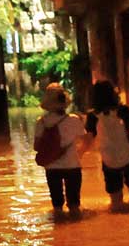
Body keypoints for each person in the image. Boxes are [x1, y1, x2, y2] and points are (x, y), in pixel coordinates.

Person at [85, 80, 129, 210]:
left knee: (115, 200)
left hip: (108, 158)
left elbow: (88, 140)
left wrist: (79, 154)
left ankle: (117, 224)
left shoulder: (92, 116)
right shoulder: (123, 110)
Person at [35, 82, 90, 218]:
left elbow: (36, 147)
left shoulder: (41, 122)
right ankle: (75, 234)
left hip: (51, 167)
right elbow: (86, 140)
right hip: (72, 166)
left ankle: (59, 235)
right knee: (74, 207)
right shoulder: (74, 120)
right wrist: (79, 154)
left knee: (57, 208)